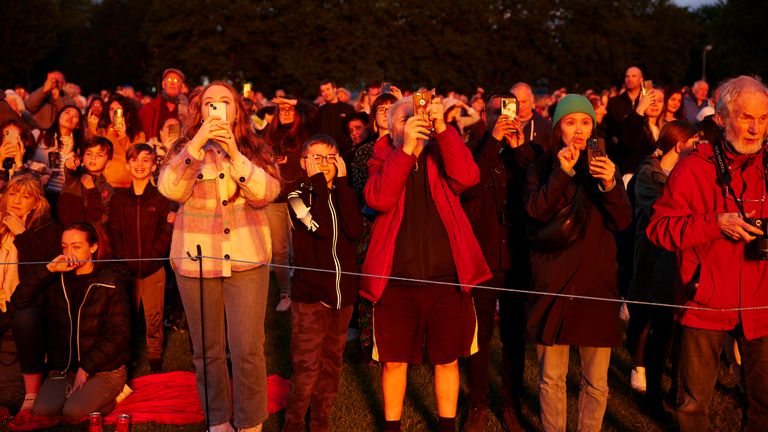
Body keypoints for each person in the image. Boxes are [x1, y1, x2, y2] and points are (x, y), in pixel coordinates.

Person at [362, 96, 491, 432]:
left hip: (446, 279)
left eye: (417, 116)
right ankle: (392, 427)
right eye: (406, 119)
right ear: (391, 131)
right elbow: (380, 198)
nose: (414, 122)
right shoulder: (381, 156)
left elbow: (468, 177)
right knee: (393, 363)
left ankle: (445, 426)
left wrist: (443, 129)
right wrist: (405, 152)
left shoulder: (441, 150)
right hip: (395, 281)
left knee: (447, 360)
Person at [646, 75, 768, 432]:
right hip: (705, 301)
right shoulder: (694, 166)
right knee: (692, 403)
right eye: (746, 117)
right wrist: (716, 223)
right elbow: (659, 230)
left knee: (763, 401)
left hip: (760, 301)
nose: (755, 128)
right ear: (721, 118)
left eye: (762, 119)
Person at [158, 81, 281, 432]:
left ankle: (250, 421)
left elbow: (266, 193)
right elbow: (170, 189)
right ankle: (218, 419)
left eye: (224, 101)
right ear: (199, 110)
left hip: (245, 259)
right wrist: (195, 146)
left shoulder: (255, 148)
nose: (216, 108)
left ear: (237, 109)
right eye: (208, 102)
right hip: (196, 261)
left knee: (247, 349)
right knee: (207, 350)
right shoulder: (184, 147)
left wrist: (236, 155)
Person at [525, 95, 632, 432]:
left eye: (585, 122)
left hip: (595, 284)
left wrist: (610, 184)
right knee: (551, 377)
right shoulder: (541, 167)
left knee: (596, 382)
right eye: (570, 122)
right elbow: (535, 212)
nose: (579, 130)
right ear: (558, 128)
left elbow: (624, 220)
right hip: (553, 282)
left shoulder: (604, 165)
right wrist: (562, 171)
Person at [461, 92, 548, 432]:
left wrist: (514, 145)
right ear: (486, 114)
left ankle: (510, 403)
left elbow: (537, 178)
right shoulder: (477, 148)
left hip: (516, 255)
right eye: (498, 111)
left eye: (509, 109)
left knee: (513, 335)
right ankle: (478, 403)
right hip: (483, 255)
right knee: (479, 336)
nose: (504, 115)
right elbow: (471, 186)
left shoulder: (530, 151)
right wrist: (494, 141)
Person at [11, 221, 130, 422]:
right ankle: (80, 396)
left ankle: (116, 394)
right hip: (65, 369)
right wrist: (48, 269)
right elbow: (19, 300)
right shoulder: (58, 279)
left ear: (93, 247)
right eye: (65, 247)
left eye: (76, 246)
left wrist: (86, 368)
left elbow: (119, 335)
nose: (69, 253)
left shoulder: (111, 282)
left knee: (72, 412)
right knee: (43, 410)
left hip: (104, 370)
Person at [283, 135, 363, 432]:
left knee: (332, 363)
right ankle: (293, 424)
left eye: (330, 158)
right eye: (317, 158)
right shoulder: (296, 196)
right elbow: (320, 227)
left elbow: (355, 230)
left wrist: (341, 185)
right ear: (304, 162)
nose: (324, 164)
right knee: (306, 368)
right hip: (311, 297)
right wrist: (318, 182)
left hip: (342, 296)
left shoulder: (344, 191)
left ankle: (320, 422)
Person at [626, 120, 698, 408]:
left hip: (680, 261)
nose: (700, 150)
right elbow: (661, 213)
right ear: (680, 146)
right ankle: (652, 389)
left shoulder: (690, 173)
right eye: (695, 144)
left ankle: (675, 390)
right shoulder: (648, 175)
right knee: (653, 326)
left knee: (675, 330)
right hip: (653, 260)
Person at [0, 175, 62, 420]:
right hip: (3, 298)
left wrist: (22, 233)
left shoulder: (48, 228)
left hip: (33, 302)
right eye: (13, 194)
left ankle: (31, 394)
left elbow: (43, 270)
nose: (17, 201)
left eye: (25, 197)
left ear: (36, 203)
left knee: (26, 319)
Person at [108, 143, 173, 373]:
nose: (140, 164)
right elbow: (113, 232)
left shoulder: (161, 198)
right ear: (127, 164)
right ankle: (127, 358)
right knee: (127, 317)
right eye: (135, 159)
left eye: (146, 160)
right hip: (127, 269)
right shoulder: (118, 200)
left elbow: (167, 230)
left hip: (153, 267)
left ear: (154, 165)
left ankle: (155, 358)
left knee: (154, 316)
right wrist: (123, 259)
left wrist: (154, 255)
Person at [263, 96, 311, 312]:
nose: (285, 111)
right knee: (280, 250)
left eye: (289, 109)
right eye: (281, 109)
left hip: (298, 197)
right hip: (275, 199)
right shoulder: (268, 136)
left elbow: (314, 110)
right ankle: (286, 292)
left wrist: (293, 101)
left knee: (302, 246)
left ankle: (304, 290)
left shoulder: (303, 134)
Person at [32, 105, 86, 210]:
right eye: (67, 112)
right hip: (38, 192)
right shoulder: (39, 135)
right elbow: (24, 161)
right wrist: (42, 169)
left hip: (63, 198)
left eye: (75, 116)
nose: (70, 116)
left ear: (78, 125)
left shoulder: (79, 149)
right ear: (59, 116)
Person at [57, 136, 114, 227]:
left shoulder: (107, 189)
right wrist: (70, 163)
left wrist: (91, 190)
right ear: (82, 157)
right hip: (66, 231)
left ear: (108, 163)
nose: (93, 158)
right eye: (89, 154)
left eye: (99, 155)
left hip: (89, 235)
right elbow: (70, 170)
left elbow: (100, 218)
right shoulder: (75, 176)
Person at [99, 93, 145, 188]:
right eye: (112, 109)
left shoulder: (138, 135)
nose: (114, 113)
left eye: (118, 110)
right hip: (107, 185)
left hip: (128, 185)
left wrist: (124, 137)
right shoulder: (103, 132)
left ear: (126, 113)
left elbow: (136, 158)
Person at [139, 68, 188, 140]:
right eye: (169, 80)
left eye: (176, 80)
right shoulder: (149, 108)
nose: (172, 83)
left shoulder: (188, 111)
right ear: (163, 84)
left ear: (181, 86)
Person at [605, 66, 644, 154]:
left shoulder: (646, 101)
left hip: (643, 151)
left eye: (634, 76)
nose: (629, 79)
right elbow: (608, 127)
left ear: (641, 79)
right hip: (620, 151)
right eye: (627, 76)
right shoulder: (614, 102)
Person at [313, 80, 356, 152]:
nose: (325, 93)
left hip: (346, 151)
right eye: (323, 91)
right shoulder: (320, 111)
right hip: (326, 151)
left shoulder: (348, 108)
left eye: (328, 89)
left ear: (335, 89)